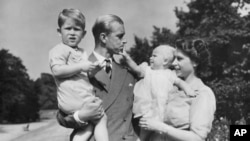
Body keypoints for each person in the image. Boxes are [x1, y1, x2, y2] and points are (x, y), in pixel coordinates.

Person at [56, 14, 139, 141]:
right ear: (103, 37)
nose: (124, 41)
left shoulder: (128, 73)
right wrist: (81, 116)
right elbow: (62, 115)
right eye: (119, 36)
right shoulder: (77, 69)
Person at [138, 39, 216, 141]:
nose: (174, 63)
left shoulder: (202, 93)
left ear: (195, 62)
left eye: (179, 59)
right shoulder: (170, 88)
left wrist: (160, 127)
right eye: (174, 58)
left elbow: (198, 138)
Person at [49, 8, 108, 141]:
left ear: (83, 33)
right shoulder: (59, 50)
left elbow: (83, 74)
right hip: (74, 99)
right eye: (68, 29)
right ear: (59, 31)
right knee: (101, 117)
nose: (72, 33)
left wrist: (93, 69)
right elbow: (57, 71)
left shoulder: (81, 52)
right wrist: (81, 66)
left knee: (87, 126)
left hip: (80, 97)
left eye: (77, 29)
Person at [120, 45, 195, 141]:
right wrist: (127, 57)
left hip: (163, 109)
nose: (150, 58)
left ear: (165, 61)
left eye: (154, 56)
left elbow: (180, 82)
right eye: (151, 56)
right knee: (144, 129)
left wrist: (188, 89)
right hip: (147, 109)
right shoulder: (147, 70)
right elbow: (136, 69)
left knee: (159, 134)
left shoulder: (169, 74)